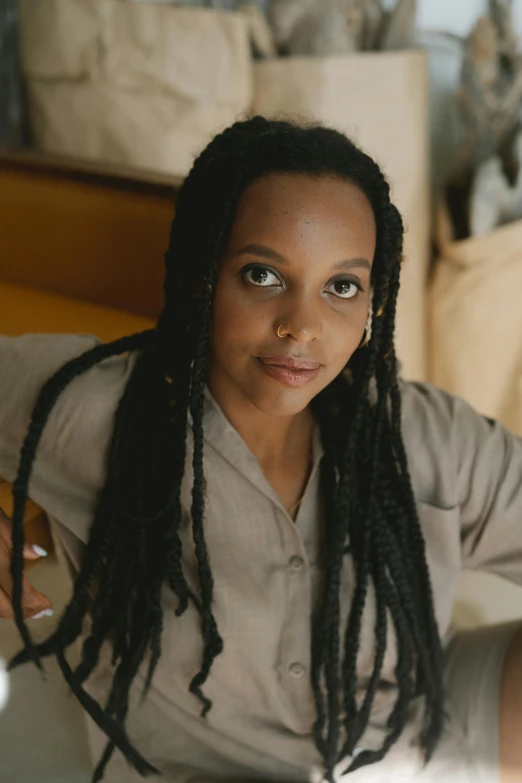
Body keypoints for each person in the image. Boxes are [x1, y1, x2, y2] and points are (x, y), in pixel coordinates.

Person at [0, 116, 521, 783]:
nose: (302, 327)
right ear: (201, 275)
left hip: (418, 734)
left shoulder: (425, 435)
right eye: (262, 274)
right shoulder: (99, 414)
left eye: (341, 286)